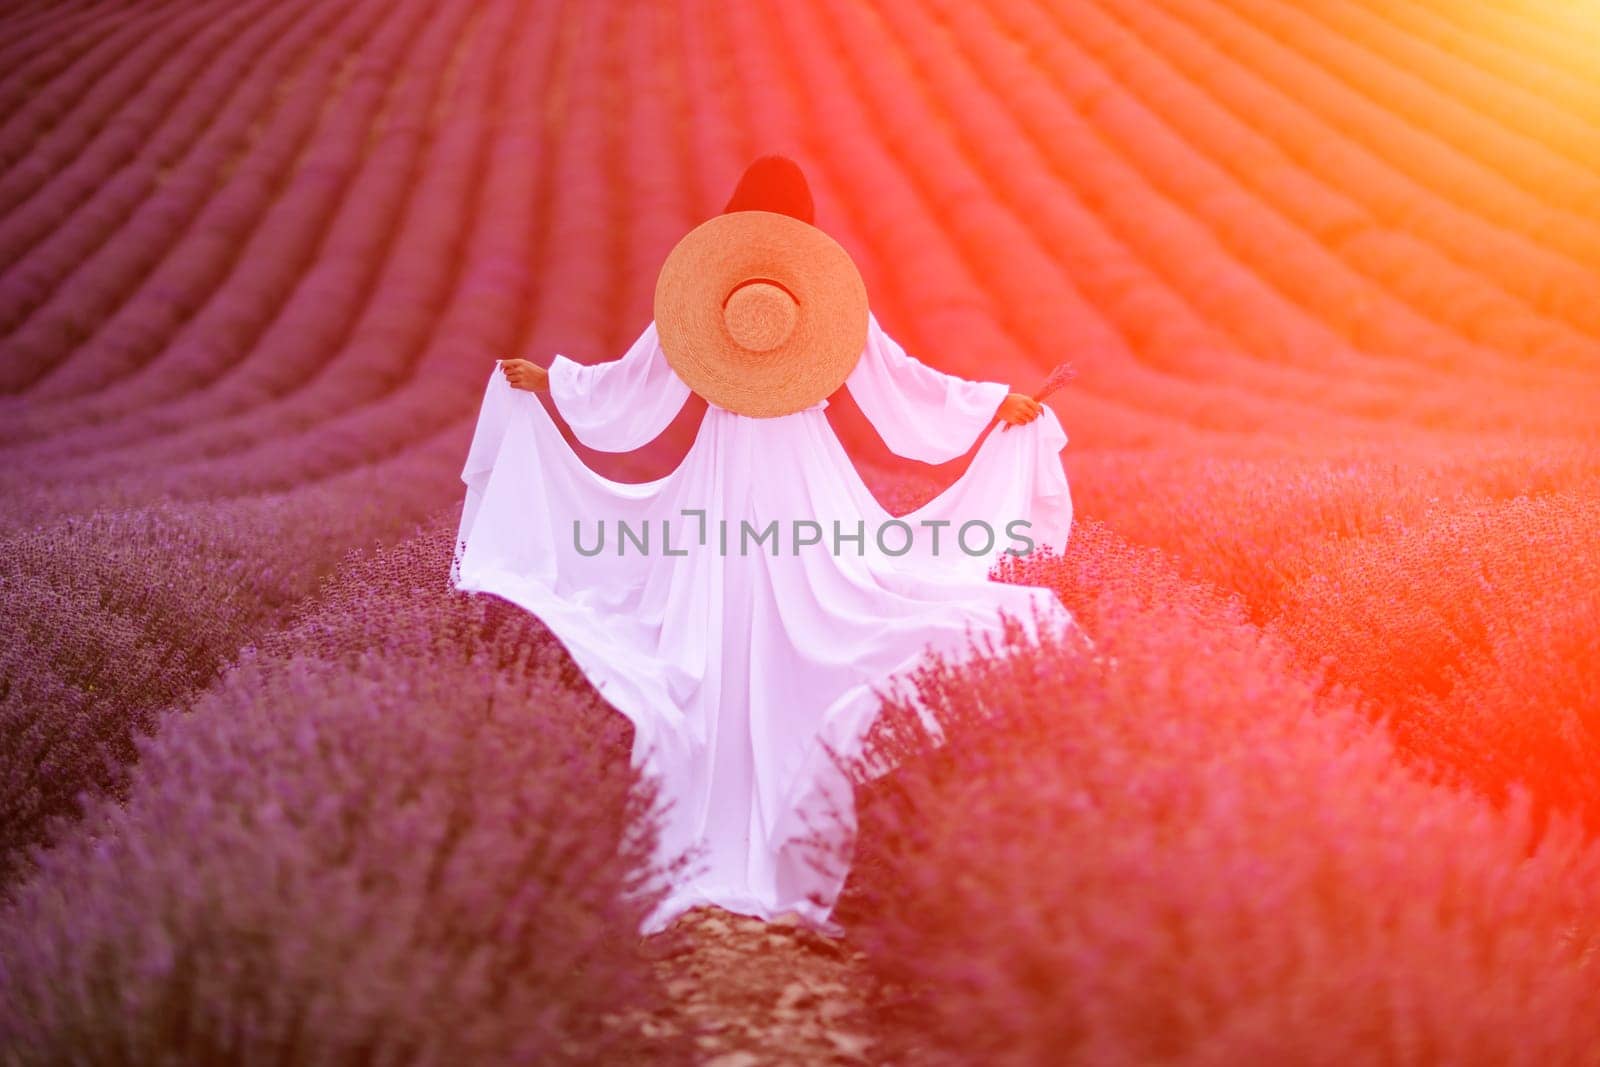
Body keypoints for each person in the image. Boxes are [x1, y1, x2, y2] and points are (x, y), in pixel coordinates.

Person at [454, 154, 1080, 937]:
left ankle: (716, 807)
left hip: (720, 474)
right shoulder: (824, 300)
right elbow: (904, 389)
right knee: (831, 596)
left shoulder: (705, 299)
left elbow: (628, 390)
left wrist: (551, 383)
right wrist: (992, 404)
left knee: (710, 624)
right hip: (803, 475)